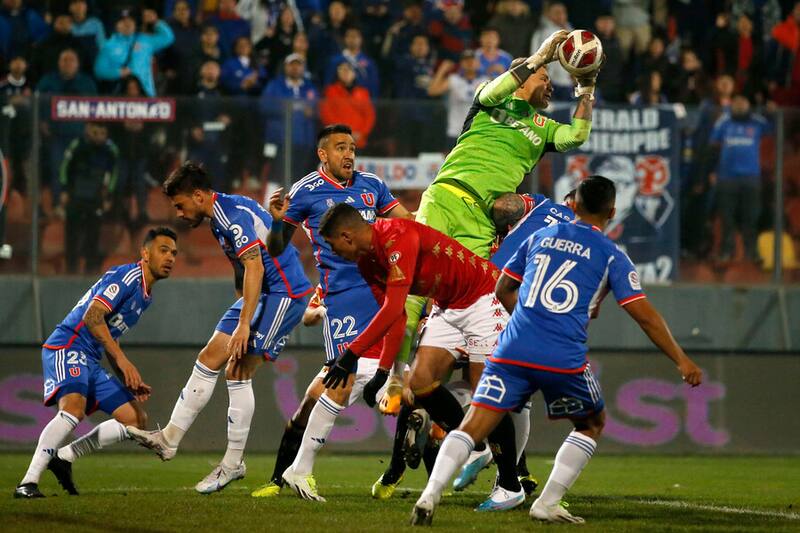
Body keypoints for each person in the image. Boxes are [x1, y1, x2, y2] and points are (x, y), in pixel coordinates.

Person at [410, 175, 704, 526]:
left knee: (473, 424)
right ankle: (547, 503)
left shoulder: (539, 236)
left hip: (512, 347)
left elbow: (504, 287)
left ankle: (430, 495)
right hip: (562, 354)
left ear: (573, 205)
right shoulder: (612, 256)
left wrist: (527, 319)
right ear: (612, 212)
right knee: (591, 423)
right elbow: (646, 317)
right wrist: (681, 359)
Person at [318, 205, 524, 511]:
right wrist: (384, 372)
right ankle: (475, 443)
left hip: (483, 297)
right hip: (447, 307)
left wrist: (351, 355)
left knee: (486, 395)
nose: (335, 254)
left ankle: (510, 485)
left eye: (333, 246)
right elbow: (396, 317)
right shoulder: (367, 263)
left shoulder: (396, 236)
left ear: (346, 236)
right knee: (419, 382)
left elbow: (392, 309)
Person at [127, 162, 312, 494]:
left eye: (181, 204)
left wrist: (244, 325)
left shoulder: (229, 215)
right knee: (210, 355)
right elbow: (243, 269)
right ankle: (169, 438)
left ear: (198, 196)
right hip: (262, 293)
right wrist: (241, 306)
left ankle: (232, 464)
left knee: (238, 371)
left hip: (285, 293)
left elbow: (255, 266)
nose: (180, 213)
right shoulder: (219, 218)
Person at [249, 124, 412, 500]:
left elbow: (407, 220)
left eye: (352, 147)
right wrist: (276, 221)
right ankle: (289, 475)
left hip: (383, 288)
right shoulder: (305, 191)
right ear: (323, 154)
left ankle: (301, 473)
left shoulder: (371, 184)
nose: (349, 154)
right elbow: (275, 248)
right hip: (341, 296)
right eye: (341, 147)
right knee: (346, 380)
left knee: (345, 386)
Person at [13, 227, 178, 498]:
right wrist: (123, 361)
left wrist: (125, 375)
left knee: (135, 419)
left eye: (174, 253)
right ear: (145, 253)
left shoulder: (145, 296)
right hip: (68, 344)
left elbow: (108, 335)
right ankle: (27, 482)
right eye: (163, 250)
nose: (170, 257)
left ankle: (64, 457)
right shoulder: (128, 276)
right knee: (73, 410)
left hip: (90, 356)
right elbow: (92, 317)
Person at [709, 94, 771, 263]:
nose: (740, 105)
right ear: (732, 105)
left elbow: (771, 128)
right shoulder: (724, 120)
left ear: (748, 105)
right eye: (736, 103)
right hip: (727, 177)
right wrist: (713, 170)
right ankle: (726, 251)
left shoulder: (756, 121)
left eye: (743, 102)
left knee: (751, 216)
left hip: (751, 178)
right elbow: (713, 143)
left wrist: (771, 112)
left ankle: (752, 252)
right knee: (726, 217)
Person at [36, 48, 97, 202]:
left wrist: (91, 126)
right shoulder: (47, 81)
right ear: (58, 63)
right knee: (57, 169)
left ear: (77, 64)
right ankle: (58, 203)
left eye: (71, 60)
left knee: (82, 169)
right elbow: (36, 103)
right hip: (56, 135)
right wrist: (41, 122)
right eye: (64, 60)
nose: (68, 63)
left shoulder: (87, 83)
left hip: (80, 135)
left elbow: (97, 108)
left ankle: (81, 203)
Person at [59, 122, 119, 274]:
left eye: (102, 133)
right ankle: (71, 268)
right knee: (72, 232)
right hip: (76, 194)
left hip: (96, 196)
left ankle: (90, 269)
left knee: (93, 233)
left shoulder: (110, 150)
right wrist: (64, 189)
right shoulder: (77, 145)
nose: (99, 137)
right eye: (95, 132)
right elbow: (65, 167)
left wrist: (108, 196)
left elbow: (114, 174)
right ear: (88, 130)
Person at [260, 53, 318, 182]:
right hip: (280, 140)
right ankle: (273, 201)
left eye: (299, 65)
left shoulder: (310, 88)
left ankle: (296, 201)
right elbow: (264, 106)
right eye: (292, 65)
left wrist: (312, 112)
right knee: (276, 175)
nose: (295, 68)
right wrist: (286, 109)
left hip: (303, 141)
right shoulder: (274, 85)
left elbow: (319, 109)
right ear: (286, 67)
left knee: (300, 176)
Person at [94, 8, 174, 97]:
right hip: (120, 97)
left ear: (135, 24)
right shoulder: (108, 45)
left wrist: (156, 22)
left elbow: (168, 38)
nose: (127, 23)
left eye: (130, 20)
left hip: (146, 96)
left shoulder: (145, 40)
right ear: (116, 25)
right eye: (123, 21)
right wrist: (119, 72)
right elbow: (99, 71)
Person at [427, 49, 488, 148]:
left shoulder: (485, 80)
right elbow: (432, 91)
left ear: (478, 63)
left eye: (472, 60)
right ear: (461, 64)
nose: (470, 63)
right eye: (466, 60)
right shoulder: (453, 79)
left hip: (477, 130)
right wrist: (442, 70)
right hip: (455, 130)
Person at [319, 61, 375, 149]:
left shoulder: (363, 92)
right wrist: (342, 133)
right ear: (337, 73)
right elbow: (326, 114)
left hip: (358, 141)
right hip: (337, 141)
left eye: (349, 70)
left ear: (354, 74)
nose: (346, 73)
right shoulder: (330, 91)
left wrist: (362, 133)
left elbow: (369, 116)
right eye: (342, 70)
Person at [530, 2, 573, 101]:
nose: (561, 15)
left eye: (563, 12)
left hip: (567, 83)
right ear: (548, 15)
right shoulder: (541, 33)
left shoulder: (572, 33)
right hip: (549, 82)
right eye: (557, 12)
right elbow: (534, 57)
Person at [324, 27, 379, 98]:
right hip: (340, 101)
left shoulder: (369, 63)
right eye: (349, 36)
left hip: (362, 101)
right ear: (345, 39)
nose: (352, 39)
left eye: (355, 36)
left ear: (361, 39)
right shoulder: (335, 61)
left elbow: (374, 87)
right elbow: (328, 84)